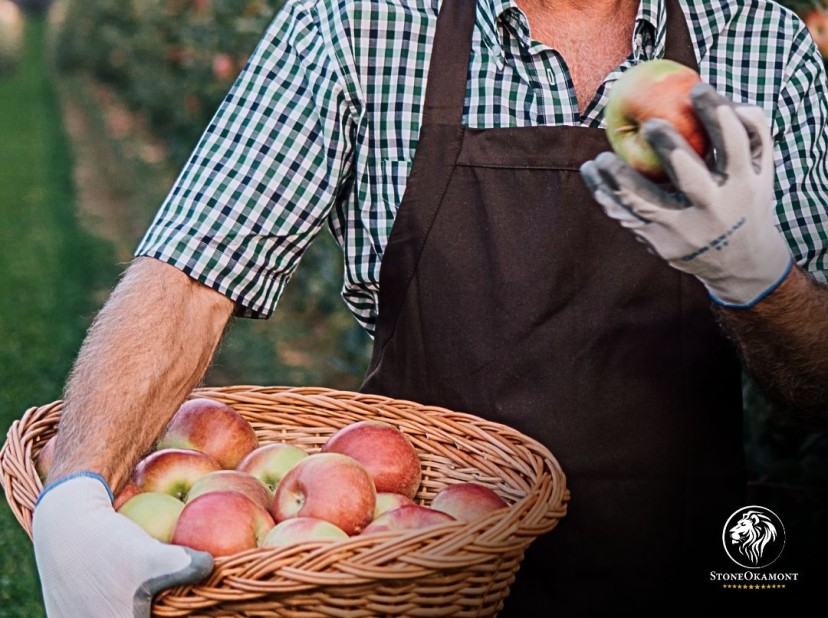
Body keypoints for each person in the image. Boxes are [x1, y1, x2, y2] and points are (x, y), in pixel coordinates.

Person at [30, 0, 828, 615]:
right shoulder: (360, 25)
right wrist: (76, 495)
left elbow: (813, 387)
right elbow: (188, 273)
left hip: (681, 557)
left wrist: (754, 274)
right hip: (411, 566)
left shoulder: (761, 49)